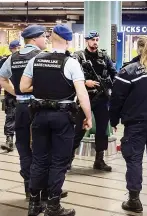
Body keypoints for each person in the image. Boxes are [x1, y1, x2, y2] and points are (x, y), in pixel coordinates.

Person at [20, 24, 92, 216]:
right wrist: (88, 117)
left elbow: (23, 86)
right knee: (59, 161)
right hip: (62, 117)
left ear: (51, 38)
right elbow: (82, 94)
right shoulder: (71, 63)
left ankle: (34, 203)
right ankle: (53, 205)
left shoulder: (35, 59)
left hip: (39, 115)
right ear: (68, 41)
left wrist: (44, 89)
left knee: (39, 160)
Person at [109, 35, 147, 213]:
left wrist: (113, 120)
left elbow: (116, 100)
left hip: (135, 124)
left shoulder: (128, 71)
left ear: (137, 48)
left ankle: (134, 201)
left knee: (134, 160)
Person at [0, 25, 48, 201]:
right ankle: (42, 189)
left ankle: (28, 187)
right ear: (34, 39)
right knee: (42, 147)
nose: (46, 39)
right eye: (44, 36)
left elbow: (1, 78)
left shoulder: (13, 58)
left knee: (23, 147)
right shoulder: (42, 57)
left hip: (20, 108)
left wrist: (17, 92)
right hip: (39, 107)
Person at [68, 30, 116, 172]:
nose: (95, 42)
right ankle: (68, 159)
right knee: (78, 129)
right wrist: (85, 82)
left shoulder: (104, 56)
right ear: (86, 41)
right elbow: (70, 76)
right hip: (85, 97)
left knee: (102, 130)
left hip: (101, 98)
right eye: (92, 39)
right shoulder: (78, 57)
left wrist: (111, 88)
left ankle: (99, 160)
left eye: (97, 39)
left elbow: (114, 74)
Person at [0, 40, 21, 152]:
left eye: (19, 48)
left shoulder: (24, 60)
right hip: (10, 93)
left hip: (23, 93)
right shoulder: (5, 61)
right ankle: (9, 140)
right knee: (10, 116)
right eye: (15, 48)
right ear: (10, 49)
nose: (17, 50)